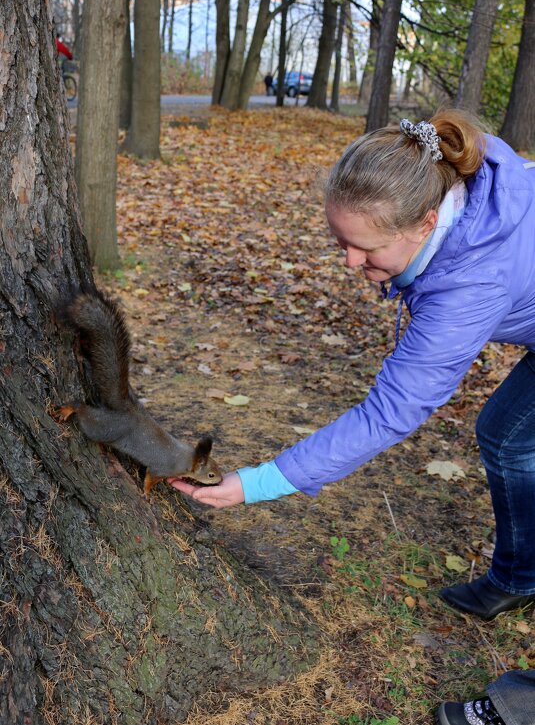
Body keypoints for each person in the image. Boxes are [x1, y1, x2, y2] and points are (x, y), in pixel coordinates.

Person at [169, 110, 535, 722]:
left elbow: (388, 414)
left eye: (362, 248)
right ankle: (521, 575)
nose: (347, 263)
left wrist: (256, 483)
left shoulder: (468, 282)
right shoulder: (453, 175)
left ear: (424, 224)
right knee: (505, 434)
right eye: (339, 241)